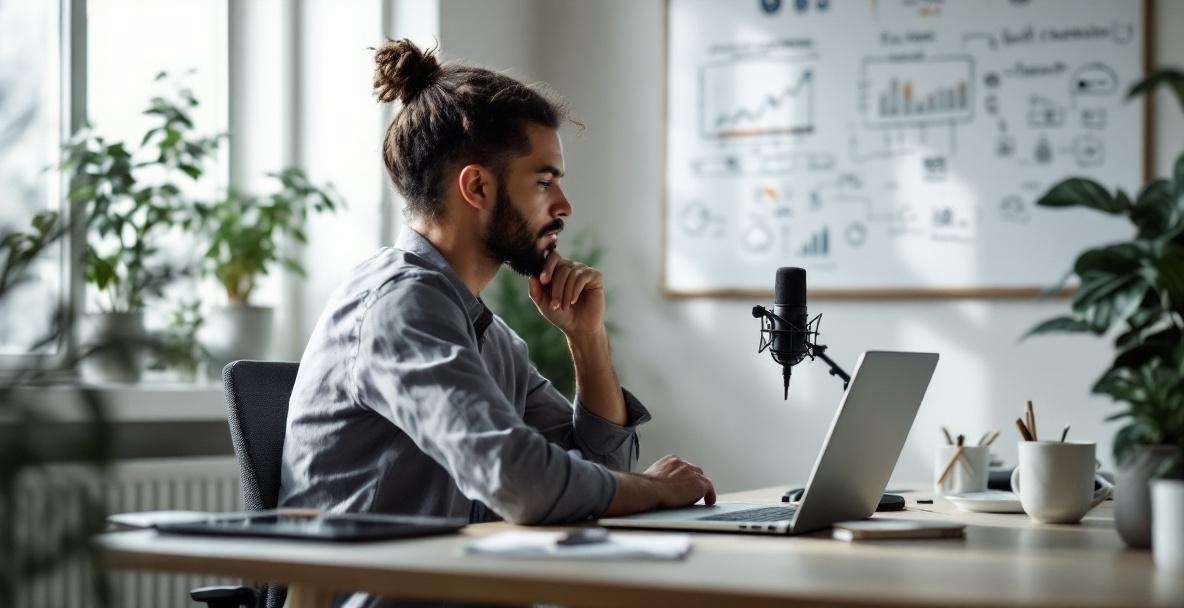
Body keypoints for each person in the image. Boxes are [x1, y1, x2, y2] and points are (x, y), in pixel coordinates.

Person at [279, 39, 714, 537]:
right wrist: (655, 488)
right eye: (544, 182)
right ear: (478, 187)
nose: (564, 206)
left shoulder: (488, 335)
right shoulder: (399, 304)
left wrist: (586, 338)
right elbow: (524, 484)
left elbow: (601, 475)